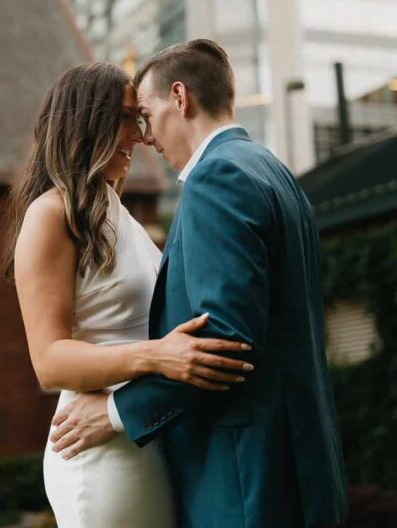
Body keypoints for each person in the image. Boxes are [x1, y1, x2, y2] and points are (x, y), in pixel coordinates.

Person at [50, 40, 347, 528]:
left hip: (244, 478)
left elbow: (225, 340)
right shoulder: (274, 172)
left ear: (180, 98)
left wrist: (117, 411)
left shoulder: (217, 179)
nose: (145, 136)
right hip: (300, 467)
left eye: (145, 114)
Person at [5, 62, 254, 528]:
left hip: (144, 437)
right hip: (99, 454)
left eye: (139, 119)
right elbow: (49, 361)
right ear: (85, 120)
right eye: (124, 117)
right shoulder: (50, 214)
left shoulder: (118, 213)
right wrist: (157, 356)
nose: (139, 135)